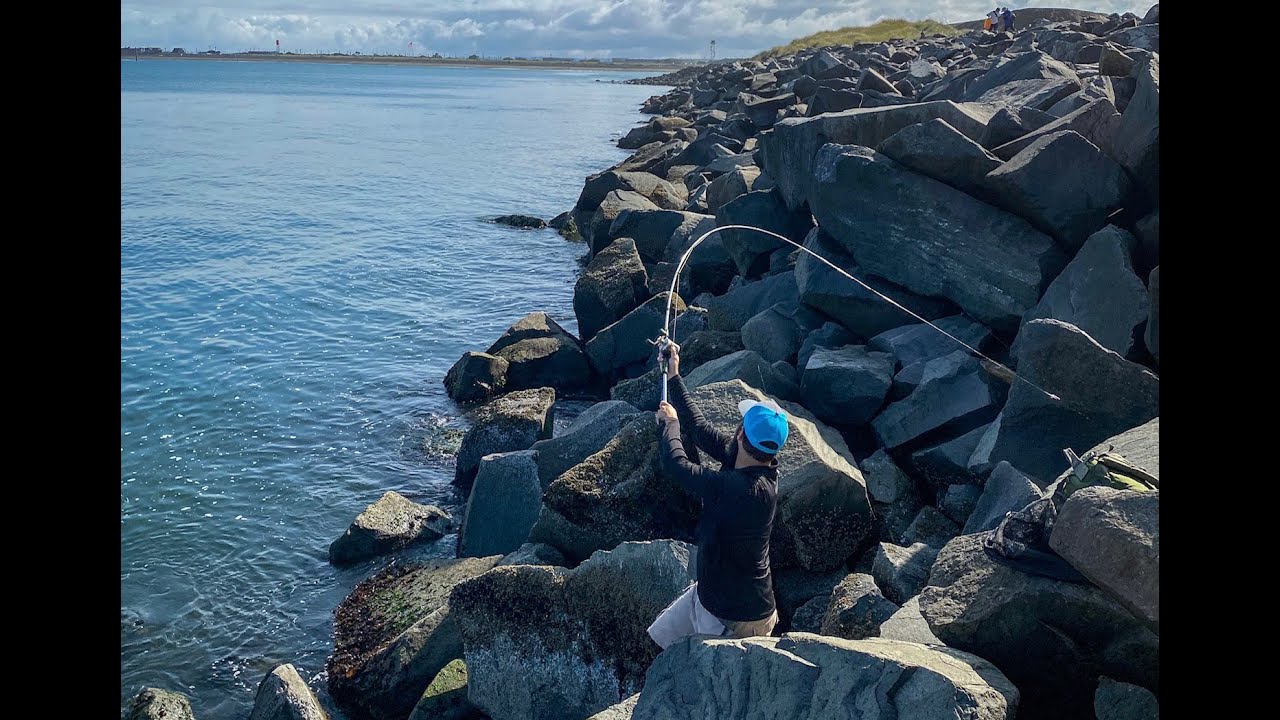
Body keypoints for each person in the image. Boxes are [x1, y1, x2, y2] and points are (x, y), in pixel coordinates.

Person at [646, 341, 788, 648]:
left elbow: (678, 466)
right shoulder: (748, 459)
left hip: (737, 619)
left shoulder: (745, 489)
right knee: (658, 639)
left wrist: (670, 426)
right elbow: (699, 428)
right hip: (709, 595)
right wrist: (674, 374)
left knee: (695, 673)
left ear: (741, 433)